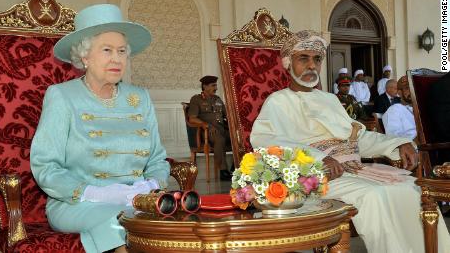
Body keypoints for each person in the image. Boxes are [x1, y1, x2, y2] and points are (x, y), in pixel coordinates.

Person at [250, 30, 450, 253]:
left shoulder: (329, 99)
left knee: (413, 188)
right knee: (375, 196)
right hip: (315, 176)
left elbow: (358, 138)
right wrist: (318, 159)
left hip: (355, 170)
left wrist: (396, 144)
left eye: (317, 59)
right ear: (288, 63)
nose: (311, 65)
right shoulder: (277, 102)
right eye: (303, 58)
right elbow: (266, 142)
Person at [30, 4, 170, 253]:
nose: (117, 58)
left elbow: (158, 159)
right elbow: (45, 165)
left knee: (172, 223)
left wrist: (150, 186)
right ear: (85, 57)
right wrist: (92, 192)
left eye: (122, 51)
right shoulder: (63, 96)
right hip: (74, 203)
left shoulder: (140, 97)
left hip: (137, 200)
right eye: (107, 50)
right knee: (118, 221)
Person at [188, 76, 232, 181]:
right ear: (205, 86)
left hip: (222, 129)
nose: (216, 88)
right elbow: (192, 118)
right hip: (207, 132)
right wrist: (207, 125)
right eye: (213, 85)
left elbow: (227, 116)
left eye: (216, 85)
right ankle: (223, 171)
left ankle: (235, 168)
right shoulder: (196, 99)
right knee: (219, 139)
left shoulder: (217, 99)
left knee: (239, 139)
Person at [382, 76, 417, 141]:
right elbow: (394, 139)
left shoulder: (420, 109)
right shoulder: (394, 110)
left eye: (413, 87)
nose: (412, 91)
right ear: (399, 93)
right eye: (407, 88)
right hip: (413, 147)